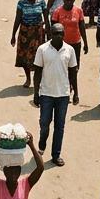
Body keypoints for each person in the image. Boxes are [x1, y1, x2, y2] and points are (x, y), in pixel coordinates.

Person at [34, 23, 77, 166]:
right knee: (45, 124)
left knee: (60, 126)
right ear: (50, 34)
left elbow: (72, 72)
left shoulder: (69, 50)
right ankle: (41, 144)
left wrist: (76, 92)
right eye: (56, 33)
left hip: (63, 95)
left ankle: (56, 154)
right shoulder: (42, 49)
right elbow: (38, 72)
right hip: (46, 93)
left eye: (61, 33)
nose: (59, 36)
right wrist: (36, 93)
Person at [12, 0, 50, 89]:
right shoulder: (21, 3)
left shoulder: (41, 1)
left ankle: (39, 79)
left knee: (40, 56)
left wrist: (48, 30)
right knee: (24, 56)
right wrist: (13, 35)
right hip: (25, 32)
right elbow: (18, 19)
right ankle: (28, 78)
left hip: (38, 32)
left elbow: (46, 17)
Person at [52, 0, 88, 84]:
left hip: (75, 43)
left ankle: (71, 84)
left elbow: (82, 27)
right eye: (67, 0)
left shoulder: (78, 11)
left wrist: (86, 43)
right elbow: (53, 29)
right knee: (62, 65)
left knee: (75, 66)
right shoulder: (57, 12)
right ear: (63, 0)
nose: (69, 2)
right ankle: (64, 84)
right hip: (62, 44)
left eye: (71, 0)